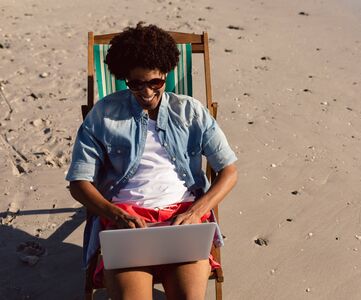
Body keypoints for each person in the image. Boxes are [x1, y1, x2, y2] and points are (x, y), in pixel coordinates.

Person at [66, 23, 238, 300]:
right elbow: (78, 182)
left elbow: (228, 171)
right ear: (125, 79)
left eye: (154, 83)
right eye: (135, 84)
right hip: (126, 219)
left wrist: (196, 211)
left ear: (166, 76)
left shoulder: (191, 111)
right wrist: (116, 214)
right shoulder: (104, 115)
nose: (146, 92)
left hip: (183, 217)